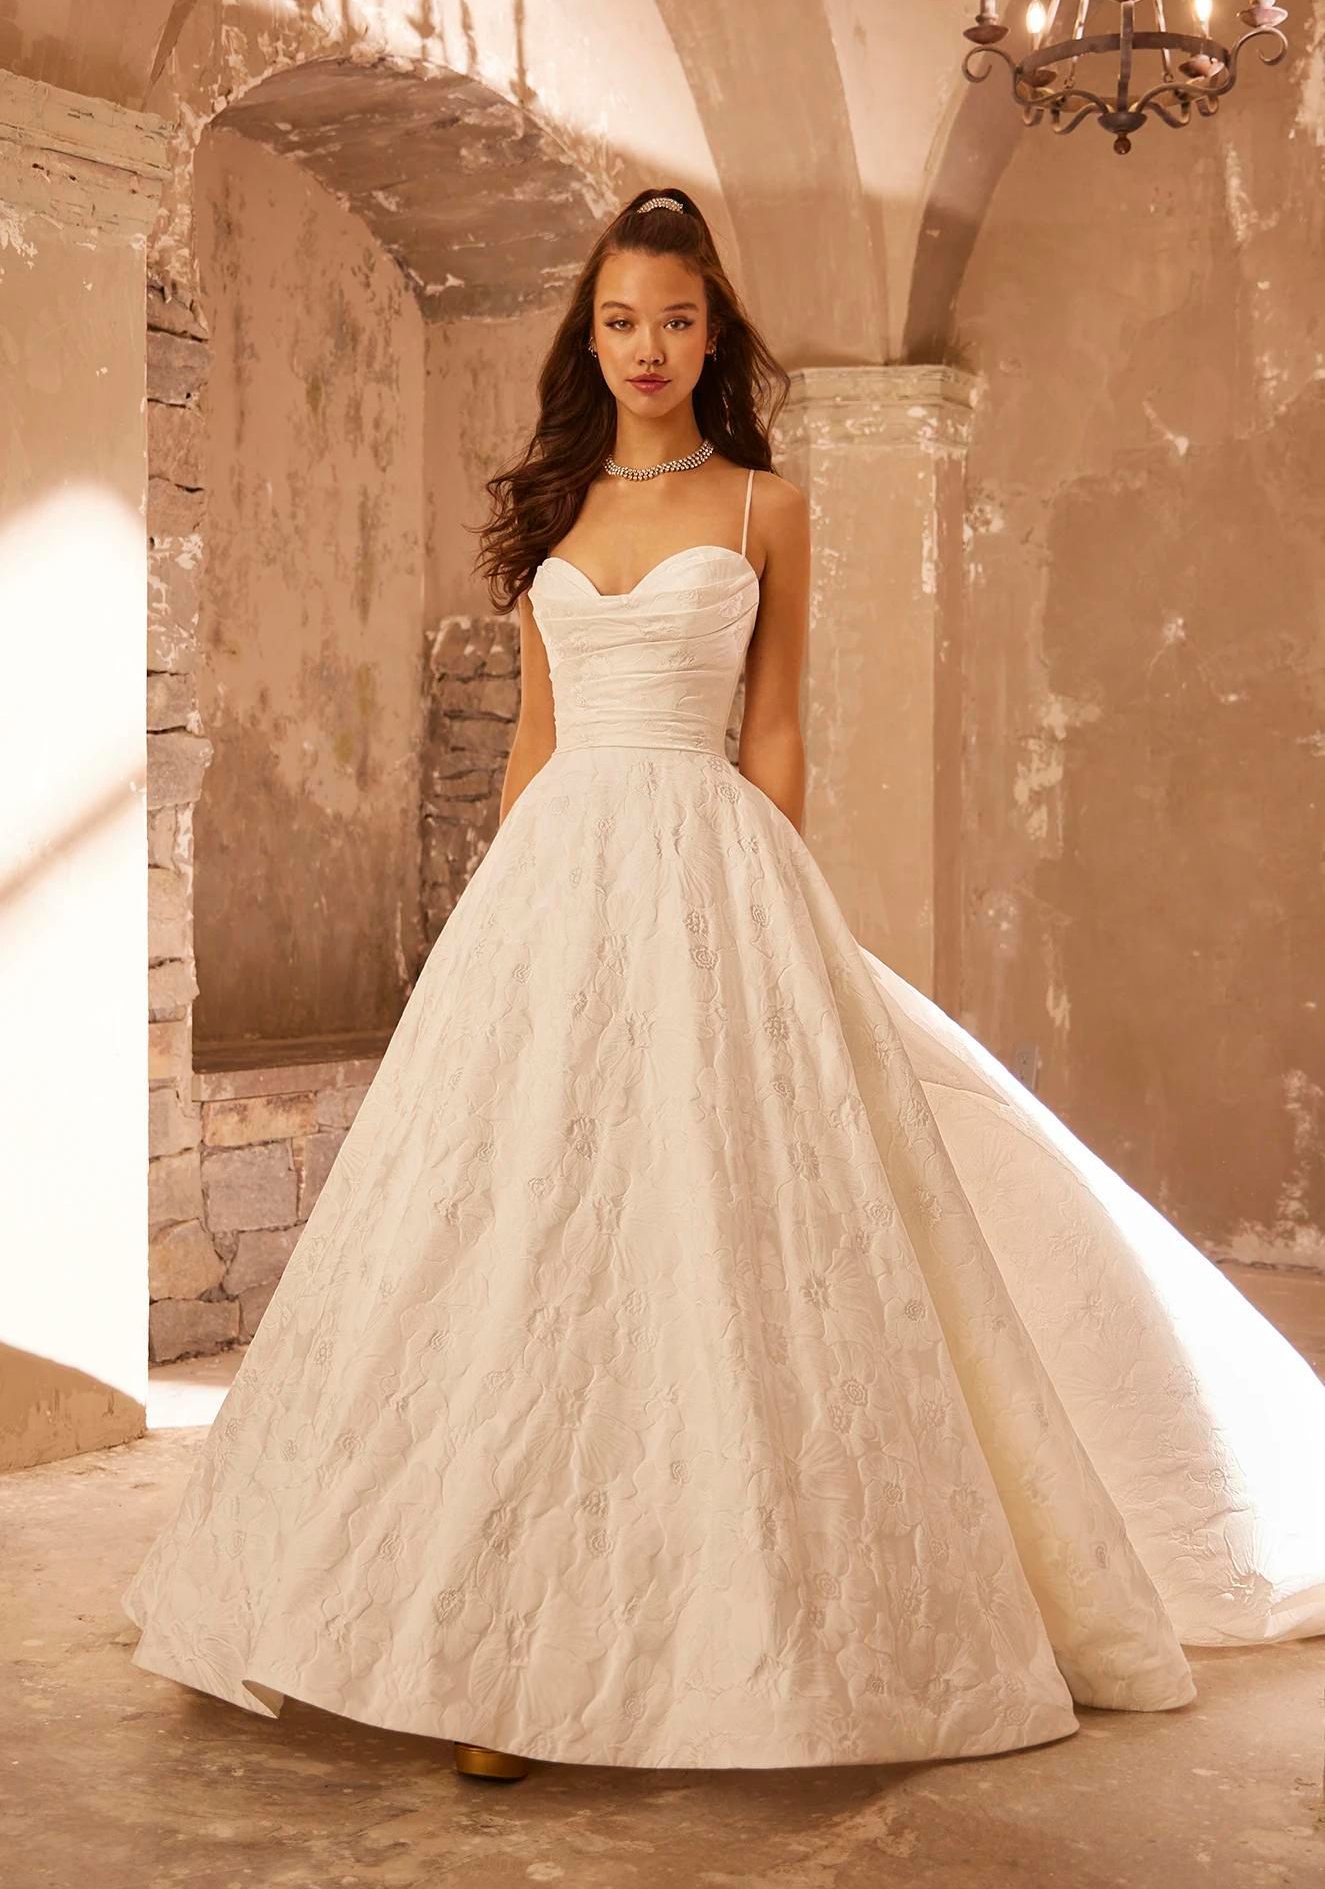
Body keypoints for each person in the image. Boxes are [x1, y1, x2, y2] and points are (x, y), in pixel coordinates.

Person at [122, 188, 1325, 1785]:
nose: (647, 347)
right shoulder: (551, 507)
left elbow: (774, 731)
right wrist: (493, 929)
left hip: (709, 866)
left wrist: (773, 917)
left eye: (675, 321)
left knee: (699, 1233)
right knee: (523, 1235)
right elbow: (538, 741)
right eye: (620, 321)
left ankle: (663, 1645)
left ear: (713, 337)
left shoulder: (768, 507)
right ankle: (477, 1645)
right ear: (588, 338)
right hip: (554, 885)